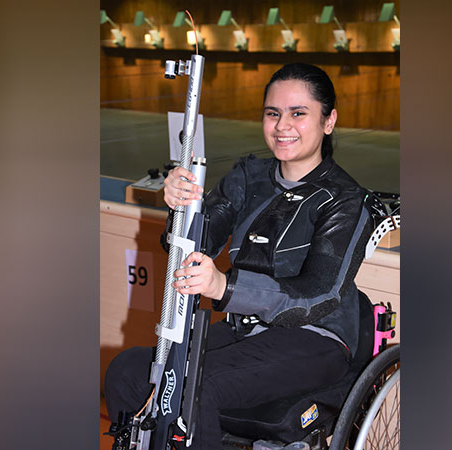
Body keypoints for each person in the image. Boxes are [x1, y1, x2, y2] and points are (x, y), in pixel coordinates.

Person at [104, 62, 375, 449]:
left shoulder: (346, 200)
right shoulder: (249, 174)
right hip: (245, 330)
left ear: (328, 121)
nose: (283, 125)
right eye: (273, 113)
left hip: (315, 339)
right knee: (126, 372)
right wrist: (181, 207)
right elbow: (197, 243)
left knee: (194, 388)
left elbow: (319, 295)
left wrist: (223, 286)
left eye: (299, 113)